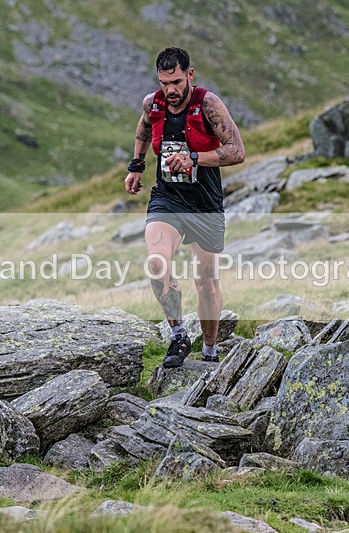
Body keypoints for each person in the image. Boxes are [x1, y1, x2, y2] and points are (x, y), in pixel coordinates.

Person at [124, 47, 245, 368]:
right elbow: (144, 128)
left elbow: (237, 151)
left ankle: (209, 350)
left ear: (190, 74)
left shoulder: (209, 104)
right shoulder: (153, 103)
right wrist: (136, 165)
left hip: (204, 201)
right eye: (165, 83)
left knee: (206, 281)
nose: (171, 90)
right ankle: (178, 336)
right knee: (156, 263)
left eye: (176, 81)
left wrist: (194, 158)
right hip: (168, 197)